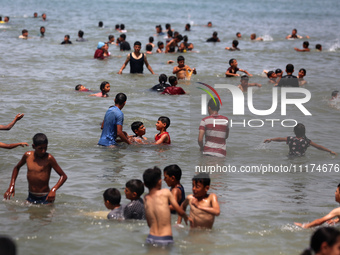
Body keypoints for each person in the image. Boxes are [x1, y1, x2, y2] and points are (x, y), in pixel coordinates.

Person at [4, 133, 68, 204]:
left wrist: (53, 190)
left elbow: (63, 176)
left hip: (46, 197)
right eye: (40, 148)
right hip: (31, 196)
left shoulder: (49, 158)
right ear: (33, 146)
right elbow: (17, 168)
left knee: (47, 214)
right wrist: (11, 186)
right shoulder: (27, 156)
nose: (43, 151)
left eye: (45, 148)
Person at [143, 167, 188, 246]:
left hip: (151, 236)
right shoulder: (172, 189)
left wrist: (157, 208)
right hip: (166, 236)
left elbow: (174, 207)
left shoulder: (174, 190)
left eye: (165, 177)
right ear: (159, 182)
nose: (164, 180)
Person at [264, 123, 336, 156]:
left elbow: (279, 139)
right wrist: (330, 151)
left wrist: (271, 139)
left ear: (294, 131)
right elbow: (318, 147)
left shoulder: (290, 139)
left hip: (291, 157)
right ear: (304, 132)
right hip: (301, 159)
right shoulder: (307, 141)